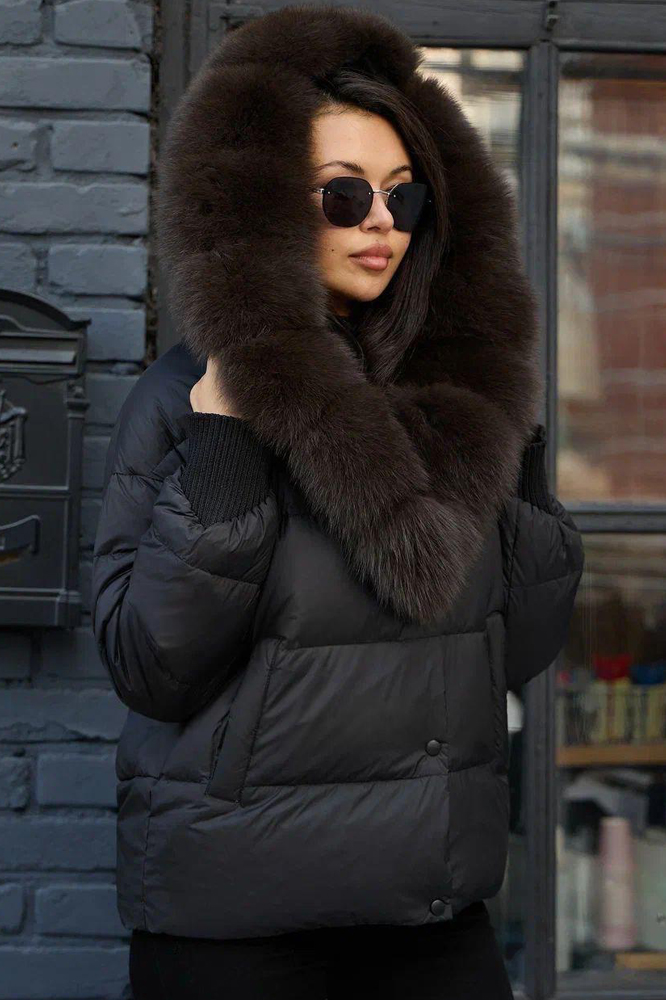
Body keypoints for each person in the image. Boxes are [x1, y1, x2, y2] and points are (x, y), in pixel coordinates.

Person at [90, 5, 585, 998]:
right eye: (345, 193)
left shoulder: (459, 399)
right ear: (265, 207)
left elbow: (514, 654)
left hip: (431, 912)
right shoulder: (187, 398)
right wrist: (227, 449)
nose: (380, 223)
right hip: (238, 920)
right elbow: (152, 668)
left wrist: (510, 435)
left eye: (405, 198)